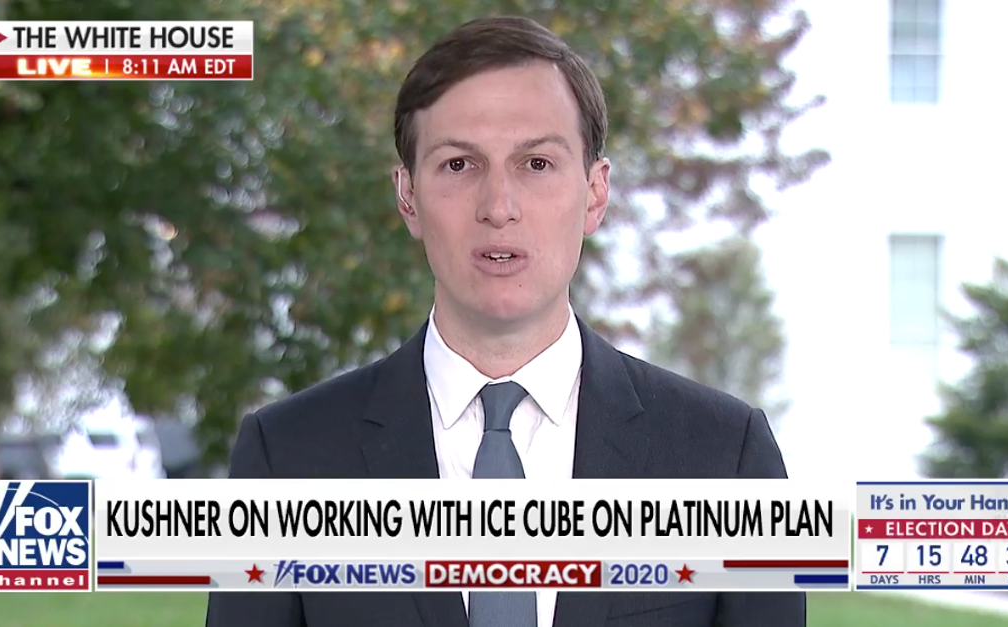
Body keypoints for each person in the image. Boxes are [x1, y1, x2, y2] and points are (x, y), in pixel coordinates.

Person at [205, 14, 803, 627]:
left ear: (595, 194)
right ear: (408, 196)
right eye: (459, 165)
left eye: (536, 164)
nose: (498, 207)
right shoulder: (287, 458)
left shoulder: (725, 457)